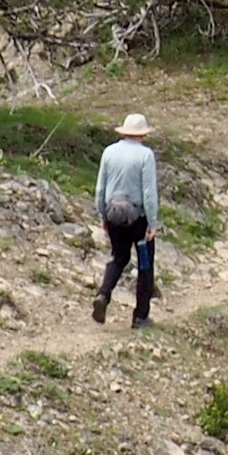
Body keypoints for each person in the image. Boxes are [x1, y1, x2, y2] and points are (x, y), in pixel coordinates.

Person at [93, 112, 161, 327]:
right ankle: (140, 316)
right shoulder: (145, 155)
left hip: (113, 214)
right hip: (138, 219)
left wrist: (102, 214)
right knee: (144, 264)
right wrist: (153, 222)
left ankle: (103, 294)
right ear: (142, 134)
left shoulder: (109, 152)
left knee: (118, 256)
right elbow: (149, 193)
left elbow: (100, 188)